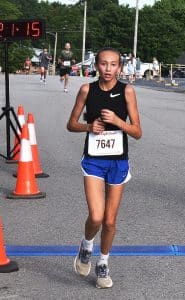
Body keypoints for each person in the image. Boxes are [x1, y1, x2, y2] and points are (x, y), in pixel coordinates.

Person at [67, 47, 142, 289]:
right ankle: (87, 245)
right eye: (103, 64)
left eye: (113, 64)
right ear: (96, 65)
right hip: (94, 160)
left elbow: (137, 132)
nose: (108, 69)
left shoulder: (127, 91)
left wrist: (119, 122)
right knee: (96, 217)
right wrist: (89, 128)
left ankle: (103, 263)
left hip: (118, 162)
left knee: (110, 221)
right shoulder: (86, 89)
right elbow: (71, 124)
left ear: (120, 67)